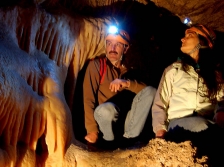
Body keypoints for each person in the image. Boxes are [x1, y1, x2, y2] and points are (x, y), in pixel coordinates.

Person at [152, 24, 224, 165]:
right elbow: (160, 103)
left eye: (189, 35)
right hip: (178, 126)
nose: (182, 39)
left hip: (206, 125)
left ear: (202, 41)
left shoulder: (216, 76)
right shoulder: (174, 70)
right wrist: (160, 132)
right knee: (203, 127)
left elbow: (222, 100)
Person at [83, 25, 156, 147]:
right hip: (105, 120)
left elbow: (147, 93)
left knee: (151, 91)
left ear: (125, 49)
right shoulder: (97, 66)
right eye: (109, 43)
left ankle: (130, 140)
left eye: (117, 45)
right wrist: (92, 130)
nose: (112, 48)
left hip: (126, 123)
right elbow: (88, 98)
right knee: (107, 110)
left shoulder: (131, 71)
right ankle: (109, 143)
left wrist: (127, 83)